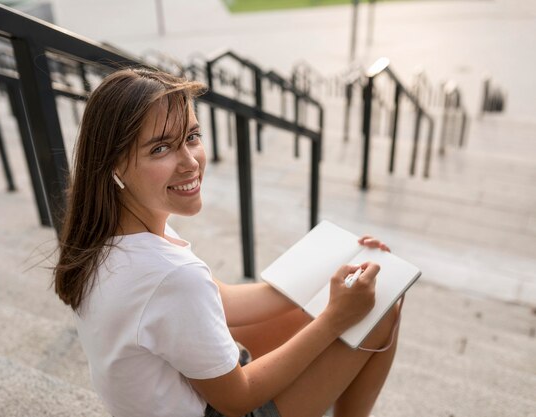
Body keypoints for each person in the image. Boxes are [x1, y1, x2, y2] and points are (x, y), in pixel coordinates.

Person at [53, 68, 401, 417]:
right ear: (113, 165)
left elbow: (224, 301)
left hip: (187, 392)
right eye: (160, 148)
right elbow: (237, 400)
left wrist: (333, 266)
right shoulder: (170, 277)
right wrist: (334, 320)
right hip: (223, 405)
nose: (190, 162)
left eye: (191, 136)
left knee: (351, 300)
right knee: (379, 309)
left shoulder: (112, 234)